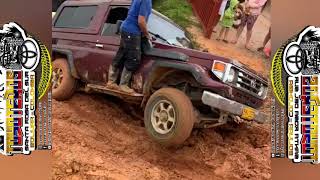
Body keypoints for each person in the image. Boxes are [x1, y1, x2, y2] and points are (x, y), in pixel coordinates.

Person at [107, 0, 152, 94]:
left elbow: (132, 14)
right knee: (134, 58)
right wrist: (146, 34)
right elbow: (141, 21)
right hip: (132, 31)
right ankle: (123, 85)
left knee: (122, 54)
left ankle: (111, 82)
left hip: (125, 28)